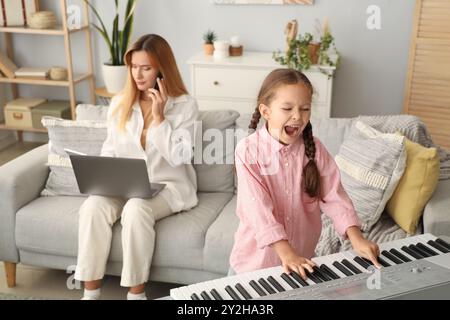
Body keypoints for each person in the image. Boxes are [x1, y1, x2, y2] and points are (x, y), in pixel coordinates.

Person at [74, 34, 199, 300]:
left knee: (136, 209)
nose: (138, 74)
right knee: (93, 207)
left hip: (168, 186)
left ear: (162, 70)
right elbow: (110, 149)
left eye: (146, 67)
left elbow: (180, 156)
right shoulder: (120, 102)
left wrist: (160, 117)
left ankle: (136, 293)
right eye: (134, 66)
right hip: (125, 183)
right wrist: (102, 175)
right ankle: (90, 293)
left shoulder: (185, 105)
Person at [229, 68, 381, 280]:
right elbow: (258, 211)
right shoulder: (248, 151)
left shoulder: (315, 150)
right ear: (265, 111)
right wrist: (287, 253)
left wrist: (357, 238)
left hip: (301, 261)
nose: (297, 117)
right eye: (287, 108)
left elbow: (335, 196)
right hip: (254, 265)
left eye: (305, 109)